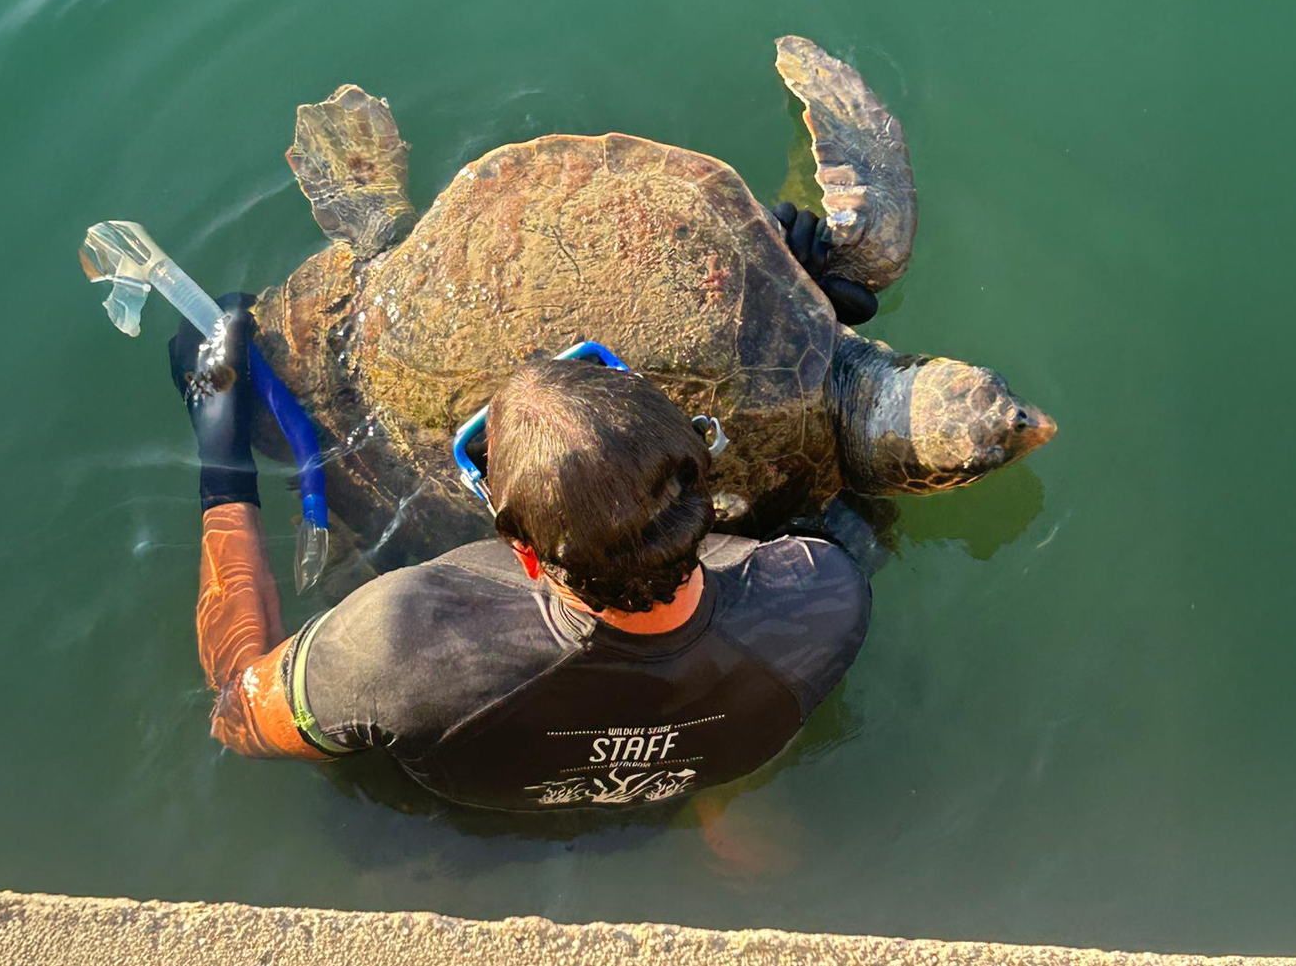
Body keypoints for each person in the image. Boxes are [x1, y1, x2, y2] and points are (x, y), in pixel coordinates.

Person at [168, 218, 872, 812]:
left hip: (461, 827)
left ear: (525, 554)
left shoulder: (396, 646)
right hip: (690, 778)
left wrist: (223, 467)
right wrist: (796, 313)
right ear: (704, 479)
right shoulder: (825, 592)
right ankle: (712, 816)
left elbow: (235, 712)